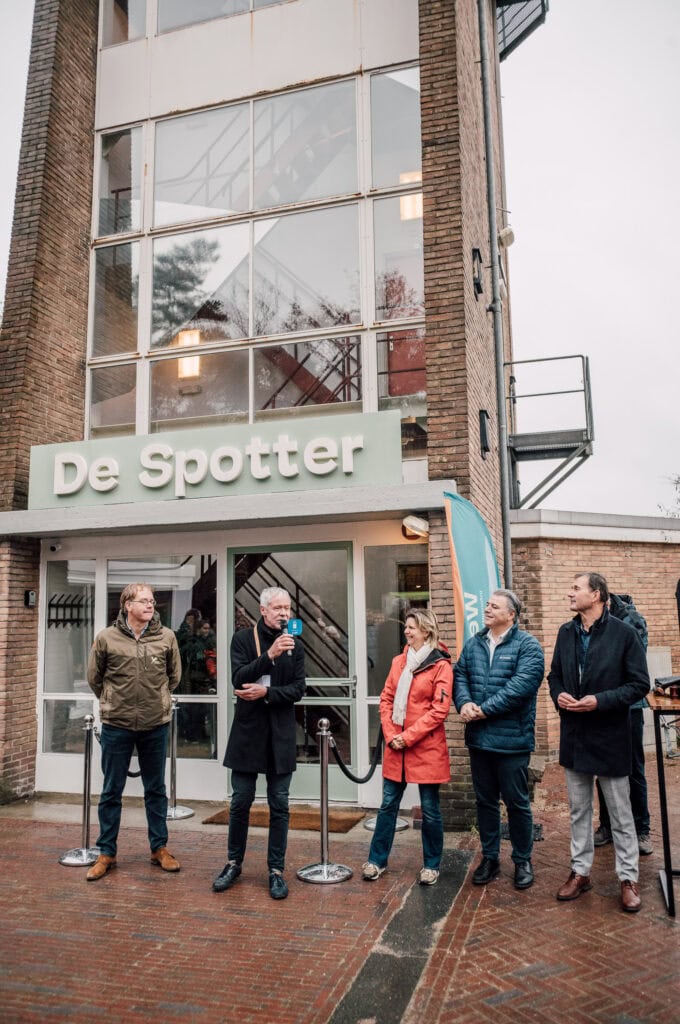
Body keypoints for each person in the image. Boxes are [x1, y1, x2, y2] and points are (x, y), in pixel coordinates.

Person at [548, 572, 650, 913]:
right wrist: (559, 694)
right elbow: (554, 675)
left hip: (610, 735)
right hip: (575, 735)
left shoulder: (624, 633)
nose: (569, 593)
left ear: (597, 594)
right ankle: (580, 872)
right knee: (579, 811)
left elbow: (639, 685)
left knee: (621, 815)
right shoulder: (566, 632)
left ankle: (628, 878)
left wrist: (600, 701)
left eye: (575, 588)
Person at [212, 587, 305, 900]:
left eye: (287, 608)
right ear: (263, 610)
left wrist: (268, 694)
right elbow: (238, 678)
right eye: (277, 607)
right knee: (240, 801)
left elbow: (298, 689)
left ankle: (276, 870)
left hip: (280, 734)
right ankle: (233, 863)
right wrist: (270, 655)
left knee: (279, 804)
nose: (283, 613)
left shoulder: (296, 643)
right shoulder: (242, 639)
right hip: (248, 733)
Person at [86, 583, 182, 881]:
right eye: (143, 601)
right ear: (127, 605)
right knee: (111, 791)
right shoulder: (106, 638)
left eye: (152, 601)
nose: (150, 605)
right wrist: (114, 701)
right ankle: (106, 853)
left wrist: (157, 701)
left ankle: (159, 848)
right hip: (117, 724)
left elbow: (174, 677)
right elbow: (95, 678)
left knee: (156, 790)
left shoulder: (166, 637)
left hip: (156, 724)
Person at [454, 590, 545, 891]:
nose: (487, 609)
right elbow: (460, 675)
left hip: (512, 741)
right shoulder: (474, 643)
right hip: (479, 740)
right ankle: (490, 859)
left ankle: (522, 860)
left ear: (511, 614)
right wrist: (464, 703)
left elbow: (521, 687)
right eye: (487, 605)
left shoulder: (528, 646)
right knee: (485, 802)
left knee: (517, 803)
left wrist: (483, 710)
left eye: (494, 606)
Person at [363, 608, 452, 886]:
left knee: (430, 808)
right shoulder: (398, 662)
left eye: (412, 627)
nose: (407, 631)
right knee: (388, 805)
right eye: (406, 627)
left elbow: (439, 710)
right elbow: (387, 699)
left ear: (426, 631)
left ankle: (432, 865)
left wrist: (408, 736)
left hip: (425, 748)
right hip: (396, 749)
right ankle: (377, 861)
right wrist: (391, 735)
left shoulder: (441, 665)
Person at [593, 593, 652, 855]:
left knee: (633, 768)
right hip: (602, 706)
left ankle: (641, 829)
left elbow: (631, 663)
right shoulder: (592, 621)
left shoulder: (630, 620)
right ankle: (607, 825)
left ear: (600, 596)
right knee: (602, 766)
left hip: (628, 707)